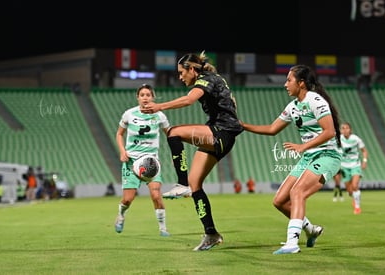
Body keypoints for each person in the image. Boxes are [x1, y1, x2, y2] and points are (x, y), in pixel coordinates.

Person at [142, 51, 244, 251]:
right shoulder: (212, 79)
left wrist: (158, 107)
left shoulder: (207, 79)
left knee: (174, 132)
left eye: (182, 73)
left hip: (221, 133)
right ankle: (211, 233)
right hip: (222, 133)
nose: (180, 77)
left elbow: (189, 100)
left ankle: (181, 184)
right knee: (196, 185)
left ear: (192, 69)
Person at [240, 64, 342, 254]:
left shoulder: (315, 100)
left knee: (297, 193)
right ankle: (310, 230)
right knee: (279, 201)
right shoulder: (293, 106)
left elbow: (330, 132)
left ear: (301, 83)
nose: (285, 84)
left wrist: (303, 146)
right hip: (308, 157)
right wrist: (243, 125)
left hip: (327, 155)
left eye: (289, 80)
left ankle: (292, 243)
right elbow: (272, 129)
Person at [114, 84, 171, 237]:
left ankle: (163, 228)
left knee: (156, 195)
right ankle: (121, 215)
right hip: (131, 161)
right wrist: (122, 152)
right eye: (142, 95)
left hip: (151, 162)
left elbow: (170, 134)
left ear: (153, 97)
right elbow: (119, 134)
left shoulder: (159, 115)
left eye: (148, 95)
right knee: (128, 199)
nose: (145, 97)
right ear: (137, 98)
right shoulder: (129, 114)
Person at [333, 122, 368, 214]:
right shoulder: (338, 139)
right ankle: (354, 198)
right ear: (340, 130)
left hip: (355, 165)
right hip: (344, 166)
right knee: (349, 191)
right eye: (343, 128)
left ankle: (357, 207)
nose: (345, 130)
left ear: (350, 129)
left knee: (355, 185)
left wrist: (364, 161)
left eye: (347, 128)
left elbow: (364, 151)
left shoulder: (356, 139)